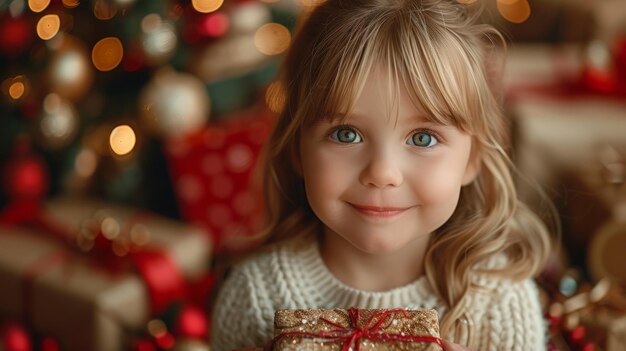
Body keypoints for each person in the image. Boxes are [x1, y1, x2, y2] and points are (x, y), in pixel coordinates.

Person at [211, 0, 553, 350]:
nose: (382, 173)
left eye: (423, 138)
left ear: (472, 159)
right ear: (298, 149)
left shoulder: (500, 303)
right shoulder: (255, 296)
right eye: (346, 134)